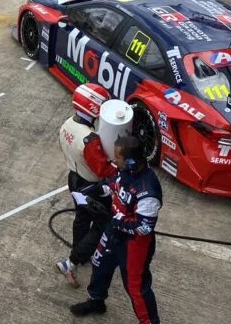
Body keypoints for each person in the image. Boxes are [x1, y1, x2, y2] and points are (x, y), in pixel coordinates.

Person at [70, 135, 163, 324]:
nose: (113, 160)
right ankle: (96, 301)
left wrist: (113, 220)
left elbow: (143, 227)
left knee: (136, 287)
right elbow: (113, 183)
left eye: (117, 157)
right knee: (100, 264)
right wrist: (96, 190)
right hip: (114, 230)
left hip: (135, 244)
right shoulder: (125, 170)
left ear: (130, 160)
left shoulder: (148, 192)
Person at [56, 84, 119, 287]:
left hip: (74, 179)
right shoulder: (89, 139)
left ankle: (79, 251)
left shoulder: (67, 124)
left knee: (81, 218)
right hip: (91, 186)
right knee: (102, 224)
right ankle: (72, 261)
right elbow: (104, 170)